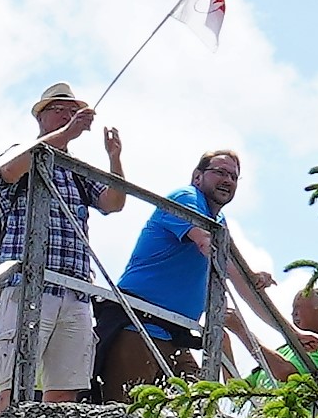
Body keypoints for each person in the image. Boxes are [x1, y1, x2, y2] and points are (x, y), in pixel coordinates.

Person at [0, 81, 126, 408]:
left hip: (75, 289)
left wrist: (115, 158)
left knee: (65, 391)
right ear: (41, 117)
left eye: (72, 111)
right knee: (14, 385)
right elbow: (9, 171)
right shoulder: (24, 152)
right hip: (29, 284)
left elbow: (113, 202)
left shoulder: (77, 171)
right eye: (60, 110)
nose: (68, 116)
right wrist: (66, 134)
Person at [101, 143, 270, 390]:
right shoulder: (185, 197)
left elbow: (243, 280)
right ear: (197, 176)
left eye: (234, 176)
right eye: (220, 172)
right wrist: (237, 270)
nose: (228, 180)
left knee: (191, 413)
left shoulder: (219, 222)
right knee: (123, 413)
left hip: (177, 336)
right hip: (139, 326)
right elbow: (206, 243)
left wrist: (293, 333)